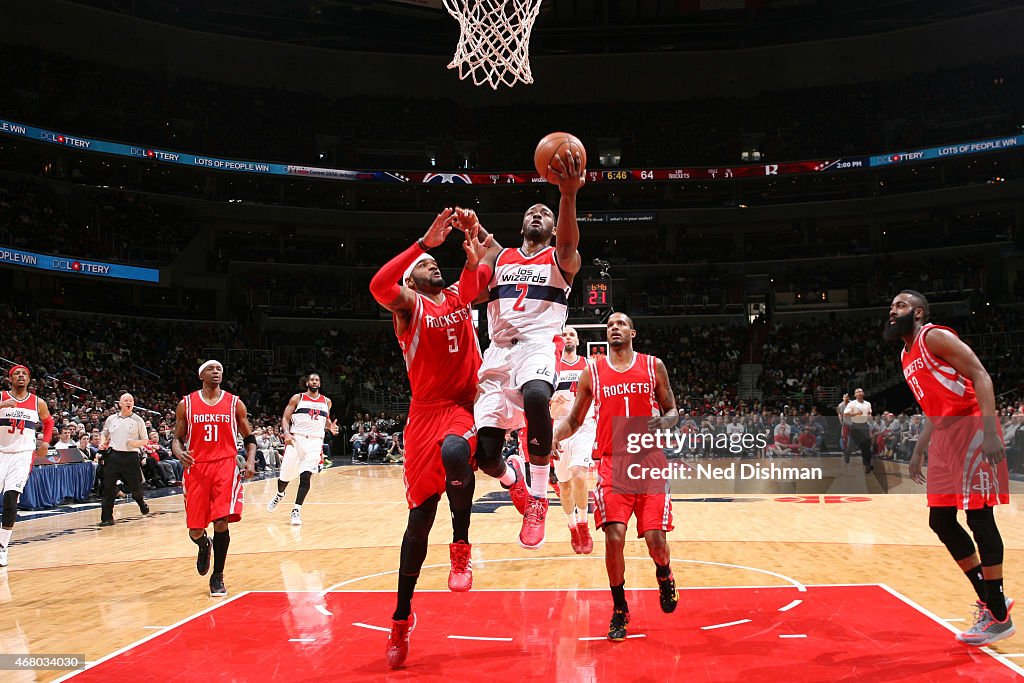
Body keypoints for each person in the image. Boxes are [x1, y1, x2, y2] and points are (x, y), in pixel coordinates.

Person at [369, 207, 496, 668]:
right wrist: (423, 244)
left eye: (434, 263)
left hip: (463, 407)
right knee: (418, 522)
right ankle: (401, 619)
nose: (433, 267)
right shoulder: (408, 307)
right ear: (411, 279)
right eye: (425, 267)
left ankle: (461, 545)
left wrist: (473, 231)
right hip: (423, 415)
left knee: (457, 449)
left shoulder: (461, 295)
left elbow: (493, 260)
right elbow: (378, 287)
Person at [462, 148, 586, 550]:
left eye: (544, 214)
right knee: (486, 457)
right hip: (497, 350)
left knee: (536, 394)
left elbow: (569, 243)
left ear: (553, 229)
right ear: (521, 225)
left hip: (538, 344)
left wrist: (566, 195)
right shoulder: (502, 257)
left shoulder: (560, 257)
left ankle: (537, 498)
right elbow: (478, 268)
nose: (537, 214)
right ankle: (513, 478)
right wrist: (474, 229)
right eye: (532, 212)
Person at [886, 289, 1014, 645]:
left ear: (918, 312)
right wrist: (918, 450)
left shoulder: (934, 336)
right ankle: (992, 598)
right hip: (944, 435)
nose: (893, 310)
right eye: (891, 306)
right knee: (940, 520)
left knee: (979, 517)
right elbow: (932, 408)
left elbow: (981, 375)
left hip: (971, 425)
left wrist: (990, 431)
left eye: (901, 305)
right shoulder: (904, 354)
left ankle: (999, 618)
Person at [553, 313, 680, 641]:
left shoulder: (653, 366)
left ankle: (664, 574)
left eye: (621, 324)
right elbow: (574, 420)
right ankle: (620, 607)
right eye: (610, 325)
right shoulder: (591, 372)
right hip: (613, 462)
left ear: (633, 332)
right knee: (614, 537)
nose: (615, 328)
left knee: (656, 541)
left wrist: (665, 423)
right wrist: (555, 435)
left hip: (649, 462)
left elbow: (672, 410)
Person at [171, 360, 257, 597]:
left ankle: (217, 576)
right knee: (196, 529)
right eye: (211, 369)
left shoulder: (234, 403)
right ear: (201, 375)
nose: (216, 372)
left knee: (221, 521)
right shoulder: (186, 404)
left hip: (225, 466)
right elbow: (177, 438)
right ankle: (203, 544)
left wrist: (249, 461)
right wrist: (179, 453)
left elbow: (249, 438)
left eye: (219, 369)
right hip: (196, 468)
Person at [267, 373, 338, 526]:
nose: (314, 381)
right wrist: (286, 433)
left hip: (315, 442)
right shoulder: (297, 398)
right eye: (312, 379)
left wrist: (330, 426)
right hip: (296, 439)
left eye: (317, 380)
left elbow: (325, 420)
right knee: (284, 477)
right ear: (307, 383)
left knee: (306, 476)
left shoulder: (327, 401)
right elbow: (285, 418)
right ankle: (280, 494)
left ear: (319, 383)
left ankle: (296, 510)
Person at [0, 365, 53, 567]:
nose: (20, 376)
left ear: (29, 380)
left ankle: (2, 546)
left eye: (24, 374)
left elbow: (48, 422)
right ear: (10, 378)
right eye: (16, 374)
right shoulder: (2, 396)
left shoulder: (38, 402)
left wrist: (46, 442)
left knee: (11, 496)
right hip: (1, 451)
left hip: (23, 454)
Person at [550, 326, 595, 554]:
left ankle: (584, 524)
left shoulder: (589, 366)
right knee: (564, 487)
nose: (568, 337)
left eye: (571, 334)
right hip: (558, 428)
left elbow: (599, 396)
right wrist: (551, 403)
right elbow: (543, 408)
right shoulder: (551, 367)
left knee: (579, 473)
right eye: (564, 334)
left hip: (584, 426)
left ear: (577, 340)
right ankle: (572, 526)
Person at [98, 393, 151, 526]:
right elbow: (105, 433)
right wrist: (103, 442)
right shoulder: (111, 419)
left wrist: (135, 443)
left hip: (130, 457)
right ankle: (107, 518)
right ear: (120, 403)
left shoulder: (138, 420)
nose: (129, 402)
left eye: (131, 400)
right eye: (126, 400)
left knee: (135, 486)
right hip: (113, 456)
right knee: (108, 488)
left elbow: (145, 440)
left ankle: (140, 501)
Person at [844, 388, 874, 472]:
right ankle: (848, 452)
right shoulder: (852, 403)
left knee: (866, 447)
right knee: (854, 445)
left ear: (863, 393)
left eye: (861, 391)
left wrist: (870, 418)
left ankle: (867, 465)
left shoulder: (868, 404)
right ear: (855, 395)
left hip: (864, 426)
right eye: (857, 392)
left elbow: (869, 414)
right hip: (855, 426)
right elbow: (846, 413)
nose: (859, 393)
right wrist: (856, 413)